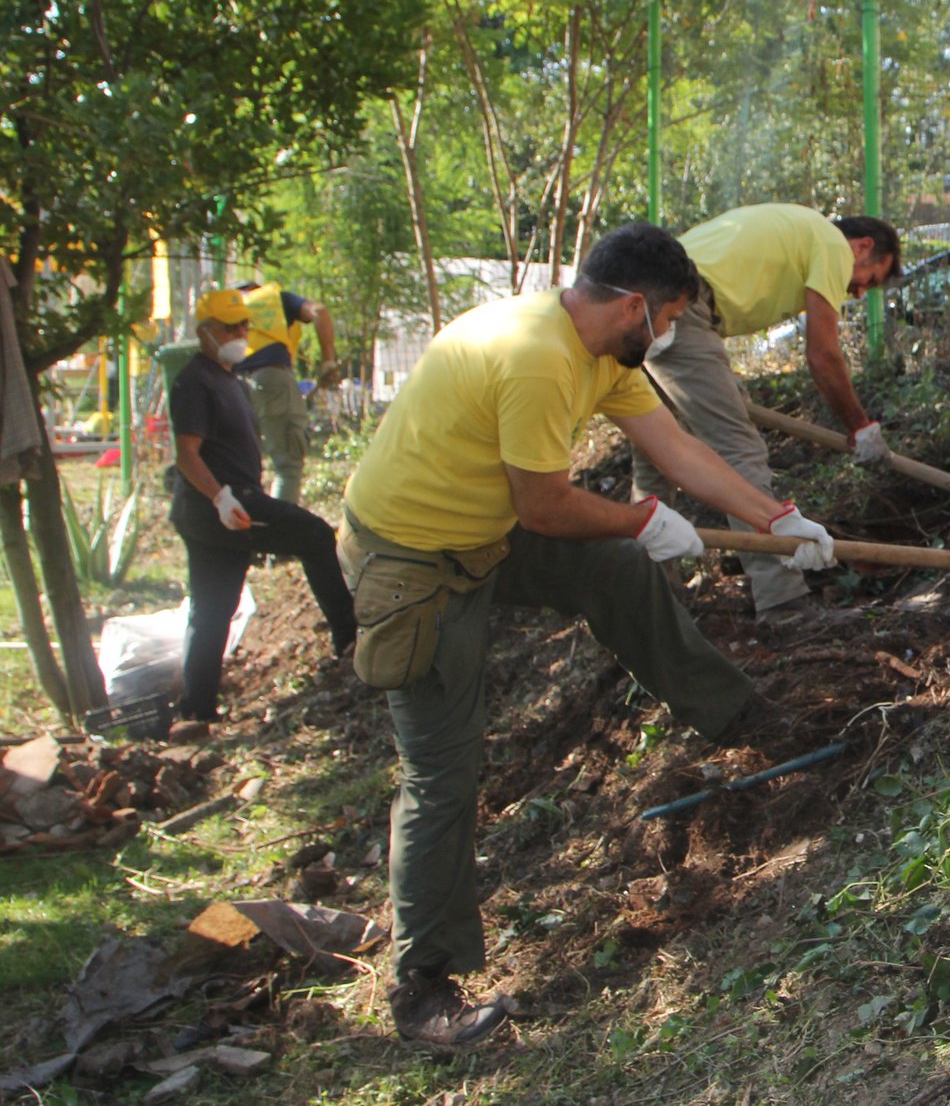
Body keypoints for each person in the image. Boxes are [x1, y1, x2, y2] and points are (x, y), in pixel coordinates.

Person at [339, 222, 835, 1047]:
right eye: (672, 316)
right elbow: (543, 506)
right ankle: (423, 987)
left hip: (486, 524)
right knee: (443, 764)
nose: (673, 334)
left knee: (616, 568)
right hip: (415, 556)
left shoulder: (606, 350)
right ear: (636, 304)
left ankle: (743, 720)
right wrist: (642, 518)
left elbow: (678, 447)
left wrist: (777, 518)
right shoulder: (536, 354)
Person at [631, 207, 900, 625]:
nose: (861, 292)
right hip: (680, 306)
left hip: (648, 302)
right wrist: (860, 427)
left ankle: (650, 604)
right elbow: (823, 354)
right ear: (862, 246)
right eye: (872, 278)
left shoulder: (800, 230)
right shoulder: (832, 243)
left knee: (654, 458)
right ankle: (783, 603)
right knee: (739, 452)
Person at [166, 289, 357, 736]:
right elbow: (186, 454)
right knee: (314, 536)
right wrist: (220, 497)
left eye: (243, 326)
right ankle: (350, 640)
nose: (238, 334)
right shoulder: (195, 381)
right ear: (204, 331)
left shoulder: (229, 378)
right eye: (228, 328)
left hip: (219, 510)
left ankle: (197, 710)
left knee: (213, 609)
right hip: (227, 506)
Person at [233, 280, 341, 506]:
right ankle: (279, 536)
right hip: (271, 378)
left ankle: (242, 530)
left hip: (230, 385)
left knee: (239, 464)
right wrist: (328, 361)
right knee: (287, 465)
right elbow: (319, 312)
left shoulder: (226, 307)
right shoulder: (274, 298)